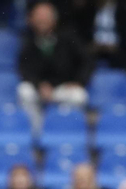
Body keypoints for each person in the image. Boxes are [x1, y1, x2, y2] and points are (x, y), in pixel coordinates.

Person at [17, 1, 90, 133]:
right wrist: (39, 84)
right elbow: (24, 68)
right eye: (38, 17)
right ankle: (36, 133)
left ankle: (69, 131)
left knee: (79, 96)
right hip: (40, 89)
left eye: (45, 17)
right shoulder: (27, 41)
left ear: (54, 20)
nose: (42, 21)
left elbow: (86, 61)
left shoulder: (68, 37)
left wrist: (78, 82)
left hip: (64, 87)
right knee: (24, 91)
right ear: (31, 19)